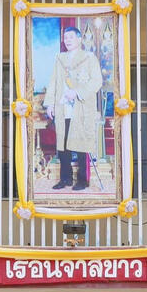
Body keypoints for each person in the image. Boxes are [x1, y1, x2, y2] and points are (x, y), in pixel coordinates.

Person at [42, 24, 103, 191]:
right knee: (63, 145)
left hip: (81, 108)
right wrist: (50, 104)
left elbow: (97, 81)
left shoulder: (89, 58)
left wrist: (77, 92)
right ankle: (65, 179)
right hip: (63, 108)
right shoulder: (59, 59)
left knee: (82, 144)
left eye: (71, 37)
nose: (67, 40)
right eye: (65, 38)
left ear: (79, 39)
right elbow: (54, 82)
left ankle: (82, 180)